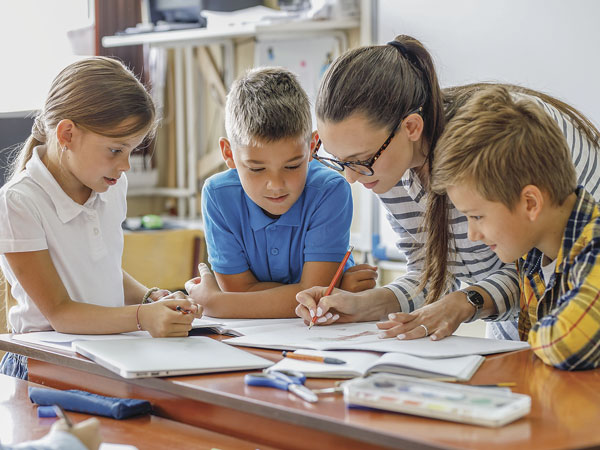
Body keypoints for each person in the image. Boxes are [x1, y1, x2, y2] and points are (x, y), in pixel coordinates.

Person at [295, 34, 600, 341]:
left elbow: (544, 267)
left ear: (411, 128)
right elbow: (432, 274)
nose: (351, 177)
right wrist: (363, 305)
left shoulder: (502, 140)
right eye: (339, 160)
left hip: (574, 325)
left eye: (360, 160)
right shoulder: (387, 168)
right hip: (529, 336)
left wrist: (467, 301)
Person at [0, 57, 202, 380]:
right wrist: (141, 317)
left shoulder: (111, 186)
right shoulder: (19, 202)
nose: (125, 167)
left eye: (132, 151)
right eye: (115, 150)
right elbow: (61, 313)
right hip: (43, 366)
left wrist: (151, 298)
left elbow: (102, 269)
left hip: (105, 352)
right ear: (67, 134)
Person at [429, 85, 600, 369]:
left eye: (477, 216)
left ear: (530, 203)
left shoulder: (594, 246)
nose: (472, 234)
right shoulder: (533, 256)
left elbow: (567, 343)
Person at [185, 67, 377, 318]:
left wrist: (217, 304)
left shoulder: (330, 191)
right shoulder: (218, 196)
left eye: (292, 166)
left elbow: (313, 295)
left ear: (312, 147)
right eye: (256, 168)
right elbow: (311, 295)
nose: (276, 185)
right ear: (229, 154)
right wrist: (334, 288)